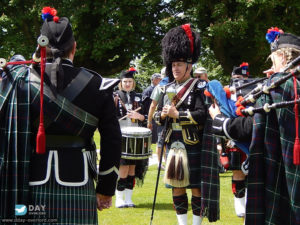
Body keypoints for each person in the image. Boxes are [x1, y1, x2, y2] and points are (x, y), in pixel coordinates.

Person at [0, 6, 121, 225]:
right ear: (73, 48)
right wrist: (106, 189)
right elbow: (113, 141)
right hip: (79, 184)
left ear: (39, 47)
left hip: (29, 183)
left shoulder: (21, 81)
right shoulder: (98, 85)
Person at [153, 24, 219, 225]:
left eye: (179, 65)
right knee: (176, 186)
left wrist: (178, 114)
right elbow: (157, 117)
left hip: (193, 143)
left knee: (197, 187)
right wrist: (162, 116)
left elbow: (202, 115)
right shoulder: (166, 88)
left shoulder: (199, 87)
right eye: (173, 65)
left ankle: (196, 223)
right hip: (173, 143)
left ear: (189, 66)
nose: (175, 68)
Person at [244, 27, 300, 225]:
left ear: (283, 57)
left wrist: (220, 122)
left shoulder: (275, 87)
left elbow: (252, 128)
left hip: (277, 173)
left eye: (274, 59)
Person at [114, 68, 148, 208]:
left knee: (132, 168)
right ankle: (119, 199)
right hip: (121, 136)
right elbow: (109, 117)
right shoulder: (115, 96)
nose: (127, 84)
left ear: (133, 83)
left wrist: (139, 116)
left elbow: (147, 117)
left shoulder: (139, 97)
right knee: (123, 167)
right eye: (125, 81)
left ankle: (129, 199)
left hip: (136, 137)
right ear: (121, 83)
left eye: (130, 81)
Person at [147, 67, 168, 169]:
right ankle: (162, 163)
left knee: (161, 142)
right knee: (162, 142)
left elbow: (152, 106)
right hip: (165, 118)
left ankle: (162, 163)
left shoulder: (159, 86)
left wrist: (149, 120)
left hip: (162, 118)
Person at [142, 72, 162, 144]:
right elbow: (146, 105)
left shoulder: (159, 88)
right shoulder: (148, 90)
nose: (161, 81)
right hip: (150, 115)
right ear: (154, 80)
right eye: (159, 79)